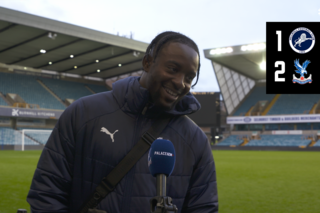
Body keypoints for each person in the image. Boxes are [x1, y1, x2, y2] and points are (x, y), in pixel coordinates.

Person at [27, 31, 218, 213]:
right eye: (173, 69)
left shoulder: (196, 141)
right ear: (147, 62)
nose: (180, 82)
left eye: (189, 77)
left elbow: (203, 208)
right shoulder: (83, 113)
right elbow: (47, 193)